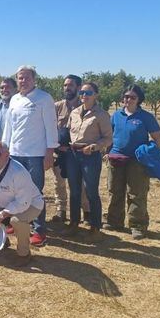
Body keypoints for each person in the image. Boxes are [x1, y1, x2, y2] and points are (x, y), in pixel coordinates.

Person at [2, 65, 58, 247]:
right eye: (20, 78)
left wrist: (50, 152)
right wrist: (4, 149)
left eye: (26, 78)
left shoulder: (44, 98)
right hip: (15, 153)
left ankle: (39, 230)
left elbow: (51, 127)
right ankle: (18, 222)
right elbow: (9, 127)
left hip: (35, 154)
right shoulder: (15, 99)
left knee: (35, 191)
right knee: (15, 191)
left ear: (34, 80)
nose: (23, 81)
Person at [105, 84, 160, 240]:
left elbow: (157, 137)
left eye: (132, 97)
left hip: (137, 162)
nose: (128, 99)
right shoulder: (116, 115)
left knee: (136, 194)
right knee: (114, 191)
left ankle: (137, 226)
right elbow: (110, 136)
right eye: (126, 96)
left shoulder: (146, 117)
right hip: (116, 159)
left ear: (139, 100)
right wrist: (107, 152)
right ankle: (114, 221)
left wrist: (150, 154)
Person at [0, 141, 44, 266]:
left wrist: (0, 216)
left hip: (31, 204)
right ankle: (0, 241)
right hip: (3, 204)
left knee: (17, 221)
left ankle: (24, 253)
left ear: (7, 155)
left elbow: (23, 203)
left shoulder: (18, 172)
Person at [62, 82, 113, 240]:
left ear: (96, 95)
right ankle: (74, 224)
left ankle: (95, 227)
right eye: (82, 92)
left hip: (90, 156)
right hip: (73, 155)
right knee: (74, 191)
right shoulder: (75, 112)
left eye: (88, 93)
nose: (84, 95)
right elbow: (68, 131)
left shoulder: (102, 115)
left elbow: (108, 138)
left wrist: (94, 147)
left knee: (91, 191)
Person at [52, 75, 90, 223]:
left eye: (70, 85)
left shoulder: (85, 107)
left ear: (78, 88)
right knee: (59, 183)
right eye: (65, 85)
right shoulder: (57, 106)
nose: (67, 88)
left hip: (77, 152)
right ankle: (61, 210)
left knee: (80, 184)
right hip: (60, 152)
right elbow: (50, 126)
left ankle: (86, 211)